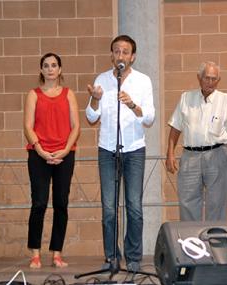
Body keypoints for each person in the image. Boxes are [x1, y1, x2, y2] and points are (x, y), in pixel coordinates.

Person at [85, 35, 155, 272]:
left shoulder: (143, 81)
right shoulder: (102, 80)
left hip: (134, 149)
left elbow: (150, 118)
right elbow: (91, 116)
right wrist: (95, 100)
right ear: (112, 55)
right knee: (109, 208)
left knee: (134, 206)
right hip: (107, 150)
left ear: (132, 56)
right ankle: (111, 258)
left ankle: (134, 258)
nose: (120, 56)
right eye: (116, 51)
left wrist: (133, 105)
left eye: (125, 52)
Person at [24, 52, 80, 269]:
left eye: (54, 65)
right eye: (46, 65)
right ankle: (35, 253)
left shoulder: (68, 94)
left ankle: (57, 253)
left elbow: (76, 126)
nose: (50, 69)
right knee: (39, 203)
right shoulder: (33, 94)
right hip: (39, 155)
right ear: (41, 70)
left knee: (61, 204)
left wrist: (65, 150)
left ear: (60, 69)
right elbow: (28, 126)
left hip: (64, 155)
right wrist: (40, 150)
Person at [166, 61, 227, 221]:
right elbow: (175, 128)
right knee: (187, 202)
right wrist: (170, 154)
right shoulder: (186, 98)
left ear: (218, 80)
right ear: (199, 78)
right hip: (190, 156)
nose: (210, 82)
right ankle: (192, 243)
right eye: (207, 78)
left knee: (217, 203)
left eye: (214, 79)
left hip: (217, 155)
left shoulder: (226, 100)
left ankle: (214, 244)